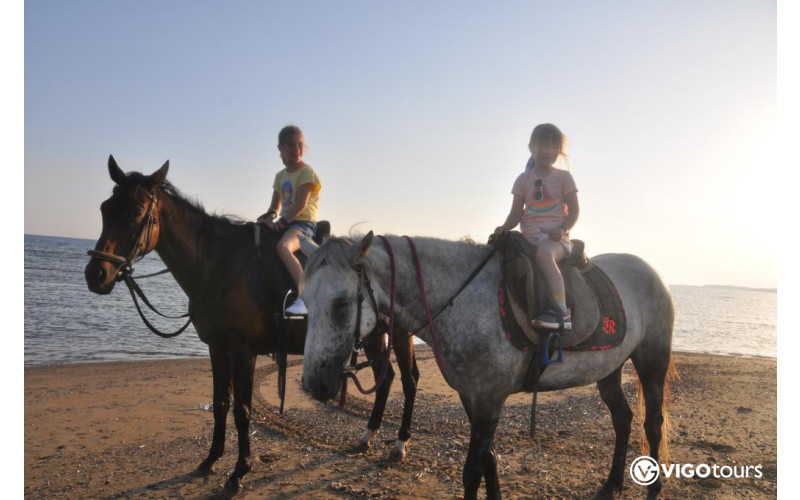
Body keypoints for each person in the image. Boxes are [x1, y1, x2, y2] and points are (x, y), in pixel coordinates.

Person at [494, 123, 579, 330]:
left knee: (543, 255)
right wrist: (504, 227)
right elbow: (516, 213)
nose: (548, 151)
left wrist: (563, 229)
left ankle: (561, 312)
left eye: (553, 147)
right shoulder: (523, 180)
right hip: (529, 238)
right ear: (531, 146)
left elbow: (574, 211)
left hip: (556, 240)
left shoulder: (564, 177)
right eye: (543, 146)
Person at [257, 125, 321, 315]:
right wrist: (266, 218)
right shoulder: (280, 177)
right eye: (291, 145)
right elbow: (274, 208)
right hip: (286, 223)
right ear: (281, 148)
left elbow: (299, 205)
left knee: (283, 248)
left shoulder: (306, 173)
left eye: (300, 145)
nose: (297, 150)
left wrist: (281, 224)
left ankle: (305, 297)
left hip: (302, 224)